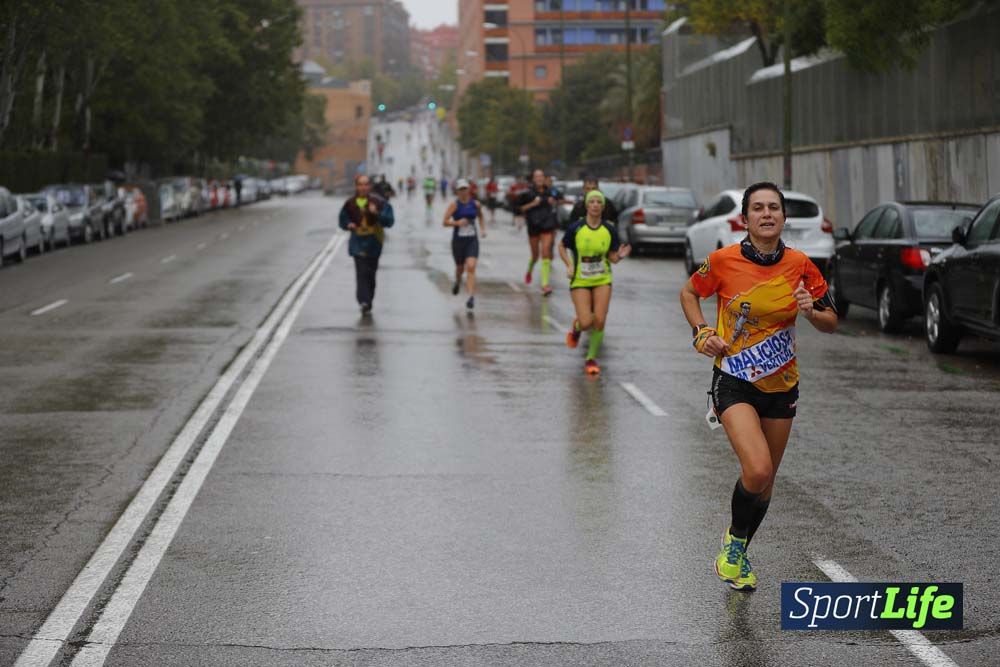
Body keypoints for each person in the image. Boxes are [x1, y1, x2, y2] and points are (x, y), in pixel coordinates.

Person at [679, 182, 837, 591]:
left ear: (783, 217)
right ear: (745, 219)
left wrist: (811, 312)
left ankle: (738, 554)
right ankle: (734, 543)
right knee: (758, 468)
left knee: (765, 484)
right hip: (734, 379)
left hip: (782, 385)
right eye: (758, 208)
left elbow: (831, 321)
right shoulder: (723, 260)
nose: (767, 214)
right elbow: (689, 293)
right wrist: (701, 332)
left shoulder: (801, 265)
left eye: (774, 208)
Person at [559, 190, 630, 375]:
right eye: (592, 202)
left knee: (599, 320)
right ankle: (577, 328)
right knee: (586, 322)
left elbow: (612, 258)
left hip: (602, 279)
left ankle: (591, 358)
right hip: (580, 279)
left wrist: (620, 256)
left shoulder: (609, 229)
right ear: (587, 205)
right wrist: (569, 265)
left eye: (599, 202)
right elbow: (562, 246)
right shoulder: (576, 228)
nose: (596, 205)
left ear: (603, 207)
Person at [339, 175, 395, 315]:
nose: (363, 187)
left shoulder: (378, 202)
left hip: (374, 242)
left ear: (369, 186)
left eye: (365, 184)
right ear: (356, 186)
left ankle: (369, 300)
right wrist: (348, 224)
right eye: (360, 184)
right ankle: (363, 301)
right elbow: (342, 220)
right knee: (361, 272)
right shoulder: (350, 203)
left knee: (370, 273)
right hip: (357, 242)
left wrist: (376, 213)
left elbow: (389, 221)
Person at [442, 179, 487, 310]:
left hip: (472, 240)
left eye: (465, 189)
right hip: (458, 241)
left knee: (471, 267)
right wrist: (457, 223)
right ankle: (457, 281)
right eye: (461, 189)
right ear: (457, 191)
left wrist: (483, 229)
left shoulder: (476, 204)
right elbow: (444, 222)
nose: (463, 192)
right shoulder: (454, 205)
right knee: (460, 268)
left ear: (469, 190)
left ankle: (471, 297)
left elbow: (481, 216)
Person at [517, 169, 560, 295]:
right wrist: (533, 204)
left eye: (541, 176)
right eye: (537, 176)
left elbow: (560, 200)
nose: (540, 178)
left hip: (547, 225)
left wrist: (554, 201)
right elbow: (520, 208)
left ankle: (545, 284)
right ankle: (530, 270)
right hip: (534, 225)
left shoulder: (550, 191)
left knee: (546, 252)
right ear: (533, 179)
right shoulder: (527, 193)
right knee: (535, 256)